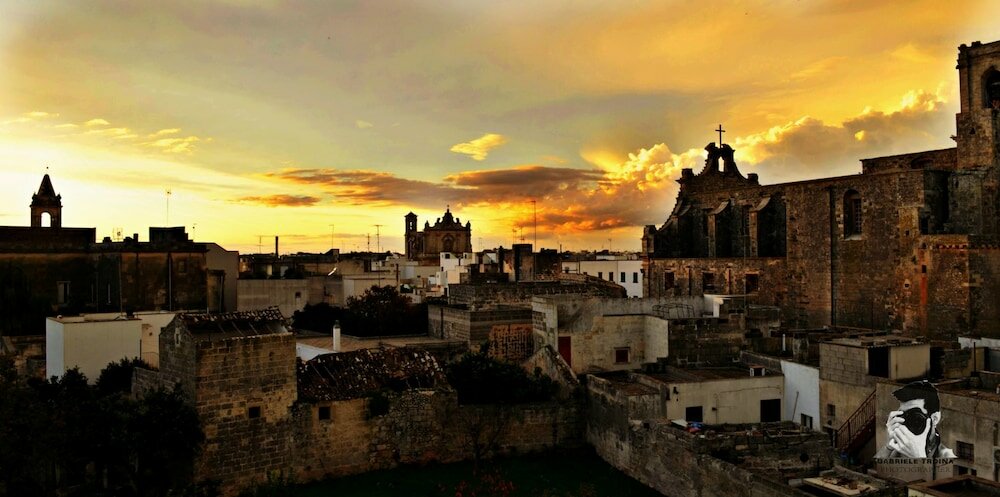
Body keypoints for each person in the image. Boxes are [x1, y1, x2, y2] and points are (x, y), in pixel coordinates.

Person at [875, 380, 956, 459]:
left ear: (935, 419)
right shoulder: (898, 446)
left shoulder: (946, 455)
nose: (909, 421)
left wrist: (918, 456)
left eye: (916, 416)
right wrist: (888, 447)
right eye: (904, 415)